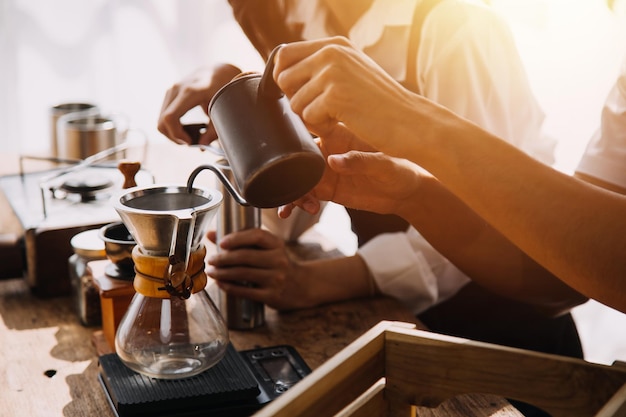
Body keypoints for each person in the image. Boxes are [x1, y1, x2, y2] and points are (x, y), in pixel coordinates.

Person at [159, 0, 587, 364]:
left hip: (509, 337)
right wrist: (242, 100)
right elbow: (306, 194)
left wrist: (315, 282)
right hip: (400, 325)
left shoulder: (455, 26)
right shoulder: (309, 19)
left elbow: (480, 216)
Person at [270, 36, 626, 315]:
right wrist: (413, 196)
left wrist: (413, 122)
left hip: (503, 334)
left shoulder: (456, 31)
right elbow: (572, 272)